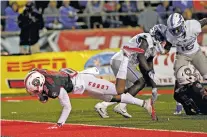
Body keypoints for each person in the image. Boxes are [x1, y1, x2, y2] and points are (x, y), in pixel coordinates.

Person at [24, 66, 157, 128]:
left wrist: (59, 124)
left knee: (120, 90)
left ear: (40, 82)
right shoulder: (41, 75)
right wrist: (41, 94)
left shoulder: (54, 87)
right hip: (83, 86)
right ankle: (145, 104)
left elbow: (67, 107)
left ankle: (126, 57)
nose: (36, 93)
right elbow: (35, 71)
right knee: (110, 99)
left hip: (85, 82)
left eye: (36, 90)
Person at [94, 24, 168, 118]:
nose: (163, 40)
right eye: (162, 37)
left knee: (126, 92)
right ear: (157, 35)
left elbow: (149, 64)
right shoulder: (146, 39)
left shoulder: (153, 46)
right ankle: (120, 106)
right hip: (122, 60)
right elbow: (141, 57)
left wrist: (154, 87)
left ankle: (104, 105)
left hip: (122, 61)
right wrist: (149, 74)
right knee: (140, 82)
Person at [159, 13, 207, 114]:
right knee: (180, 76)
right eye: (173, 30)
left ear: (183, 24)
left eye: (177, 29)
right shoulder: (170, 35)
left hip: (196, 52)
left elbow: (204, 21)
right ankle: (181, 103)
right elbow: (167, 46)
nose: (176, 32)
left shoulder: (193, 26)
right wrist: (164, 50)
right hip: (182, 55)